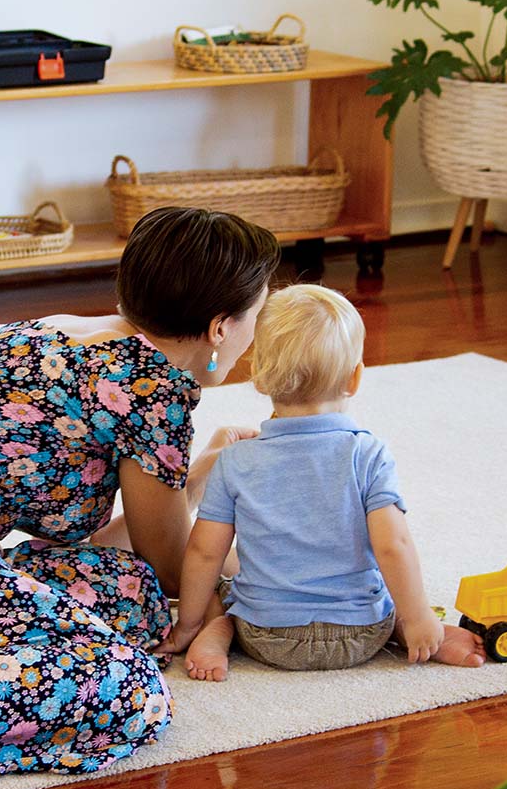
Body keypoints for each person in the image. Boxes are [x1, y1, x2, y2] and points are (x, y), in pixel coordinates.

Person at [0, 207, 278, 776]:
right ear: (220, 327)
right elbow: (173, 568)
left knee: (133, 596)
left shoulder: (60, 329)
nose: (256, 333)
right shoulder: (153, 388)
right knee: (129, 686)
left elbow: (135, 553)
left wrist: (197, 473)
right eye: (257, 314)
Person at [155, 283, 485, 680]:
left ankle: (216, 630)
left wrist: (187, 623)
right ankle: (409, 631)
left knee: (224, 588)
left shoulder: (235, 461)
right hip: (362, 632)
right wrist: (416, 616)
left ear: (259, 379)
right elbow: (392, 545)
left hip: (266, 634)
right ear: (355, 378)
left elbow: (205, 554)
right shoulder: (367, 455)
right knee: (382, 594)